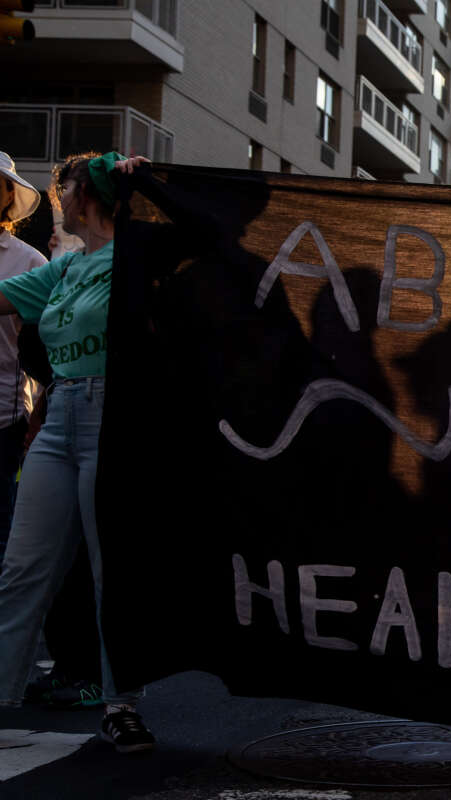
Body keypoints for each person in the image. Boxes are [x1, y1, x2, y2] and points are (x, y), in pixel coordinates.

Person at [0, 151, 155, 754]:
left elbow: (203, 239)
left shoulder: (138, 258)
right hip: (60, 417)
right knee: (21, 568)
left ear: (85, 195)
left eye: (62, 187)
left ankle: (123, 707)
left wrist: (144, 182)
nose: (55, 197)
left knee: (109, 573)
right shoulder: (63, 270)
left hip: (115, 421)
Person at [0, 153, 46, 562]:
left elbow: (48, 343)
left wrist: (38, 414)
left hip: (4, 416)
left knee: (0, 530)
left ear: (8, 196)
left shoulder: (29, 261)